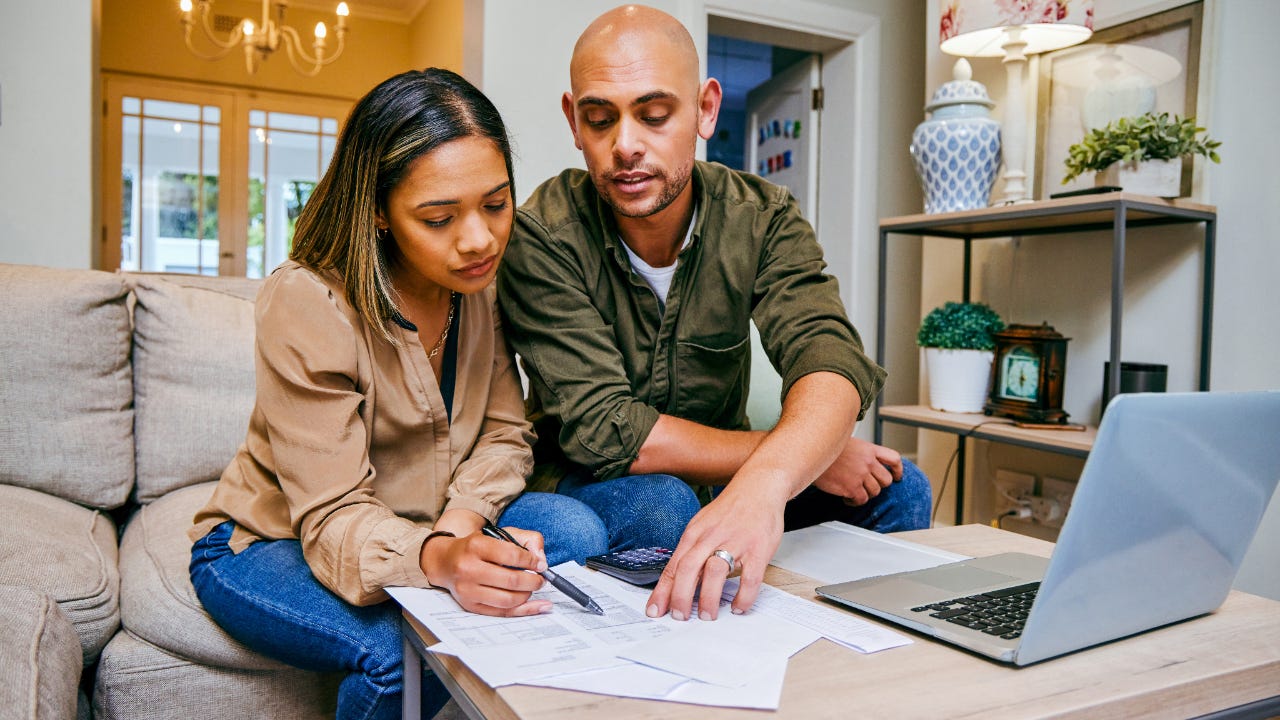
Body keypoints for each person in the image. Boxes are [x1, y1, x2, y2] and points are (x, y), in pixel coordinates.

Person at [188, 68, 615, 720]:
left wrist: (458, 530)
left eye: (496, 205)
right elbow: (330, 517)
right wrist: (442, 560)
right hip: (272, 542)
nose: (479, 239)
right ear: (380, 214)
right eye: (440, 218)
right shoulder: (308, 301)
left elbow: (506, 431)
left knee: (578, 530)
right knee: (401, 654)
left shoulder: (476, 281)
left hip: (428, 522)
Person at [496, 5, 932, 625]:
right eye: (599, 120)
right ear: (574, 121)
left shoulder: (763, 218)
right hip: (590, 477)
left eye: (654, 115)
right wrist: (786, 460)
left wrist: (770, 481)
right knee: (664, 507)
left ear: (705, 110)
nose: (625, 146)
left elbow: (828, 355)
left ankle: (846, 672)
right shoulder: (541, 234)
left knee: (899, 487)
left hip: (724, 481)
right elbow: (611, 430)